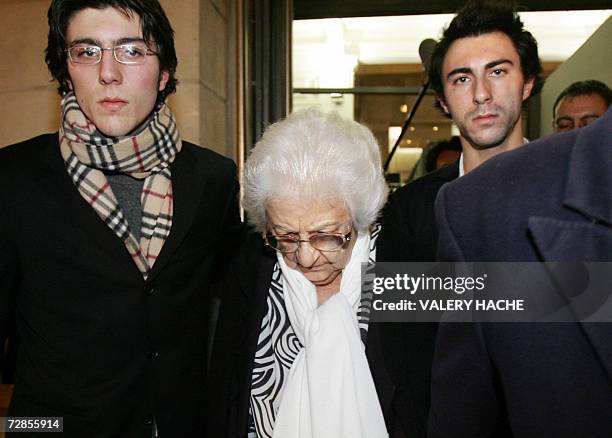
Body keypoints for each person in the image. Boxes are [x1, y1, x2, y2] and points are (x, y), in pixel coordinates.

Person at [0, 0, 242, 436]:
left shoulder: (213, 178)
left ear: (164, 73)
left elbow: (240, 290)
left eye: (132, 51)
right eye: (87, 52)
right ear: (66, 73)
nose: (108, 73)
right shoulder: (10, 179)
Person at [208, 109, 436, 438]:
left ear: (362, 216)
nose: (304, 256)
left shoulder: (413, 272)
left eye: (325, 235)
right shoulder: (252, 267)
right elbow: (225, 396)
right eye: (285, 235)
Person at [429, 108, 612, 437]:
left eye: (498, 71)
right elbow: (406, 312)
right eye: (461, 78)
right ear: (443, 100)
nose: (482, 93)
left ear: (527, 85)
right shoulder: (465, 206)